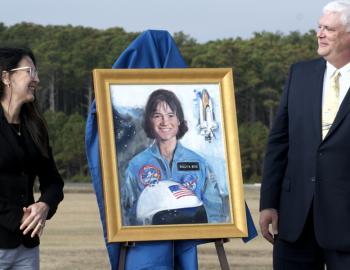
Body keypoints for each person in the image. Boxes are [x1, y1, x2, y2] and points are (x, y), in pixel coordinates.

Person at [259, 1, 350, 269]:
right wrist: (268, 204)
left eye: (329, 29)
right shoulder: (299, 74)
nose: (320, 34)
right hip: (295, 221)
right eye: (319, 27)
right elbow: (278, 143)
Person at [0, 47, 64, 269]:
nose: (36, 79)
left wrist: (44, 205)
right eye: (30, 71)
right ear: (6, 77)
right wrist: (18, 216)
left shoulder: (35, 127)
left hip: (27, 248)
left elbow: (53, 181)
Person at [122, 89, 225, 225]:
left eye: (171, 115)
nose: (165, 122)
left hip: (189, 239)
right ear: (149, 121)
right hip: (150, 242)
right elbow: (126, 212)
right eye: (157, 116)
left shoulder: (199, 163)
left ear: (179, 121)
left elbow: (214, 210)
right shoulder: (136, 165)